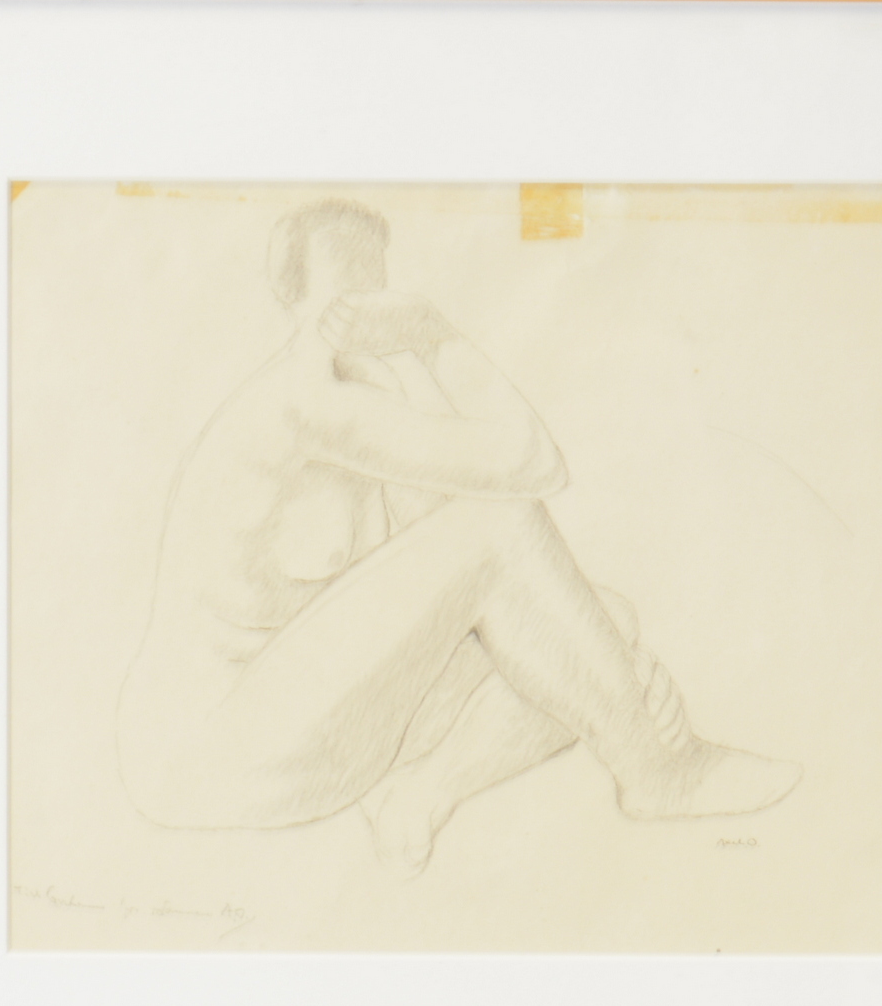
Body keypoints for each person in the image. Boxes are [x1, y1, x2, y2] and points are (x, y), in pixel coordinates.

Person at [117, 198, 801, 874]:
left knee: (598, 625)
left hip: (301, 724)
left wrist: (617, 677)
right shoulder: (304, 402)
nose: (354, 321)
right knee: (508, 535)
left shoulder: (378, 408)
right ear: (289, 293)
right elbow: (529, 465)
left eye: (371, 294)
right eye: (337, 298)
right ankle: (659, 771)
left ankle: (418, 796)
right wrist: (438, 335)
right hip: (206, 748)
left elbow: (499, 581)